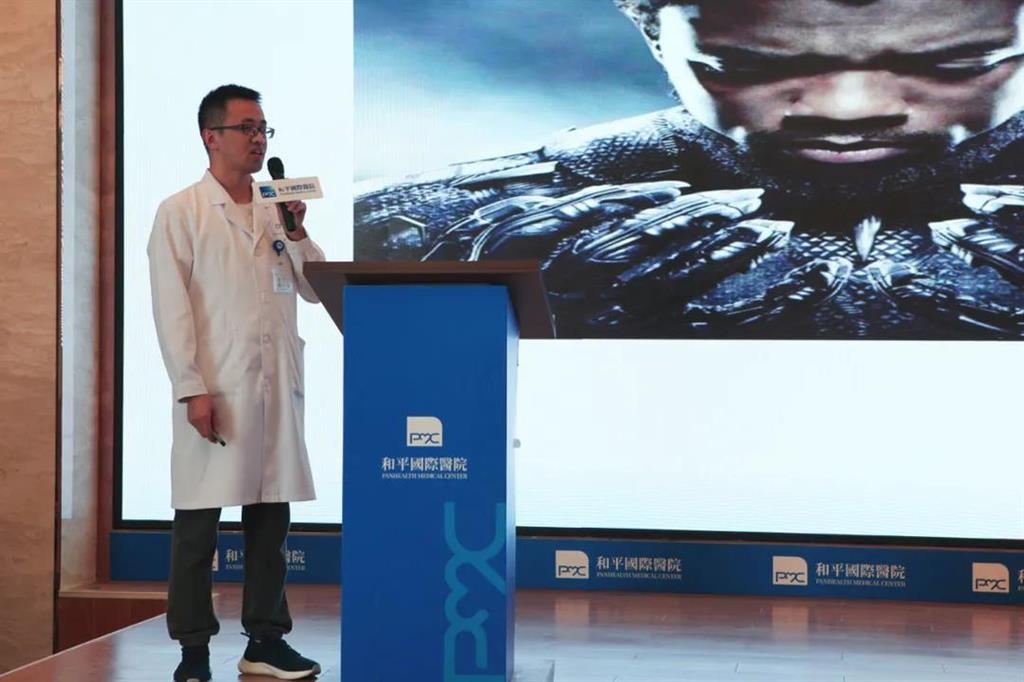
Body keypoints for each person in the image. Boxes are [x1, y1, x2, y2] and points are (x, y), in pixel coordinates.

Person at [355, 0, 1024, 339]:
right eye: (749, 65)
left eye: (955, 65)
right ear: (654, 37)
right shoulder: (410, 226)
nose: (848, 108)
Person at [148, 84, 324, 682]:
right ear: (211, 136)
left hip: (273, 388)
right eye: (246, 128)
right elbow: (171, 310)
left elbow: (315, 289)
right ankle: (193, 653)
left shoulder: (277, 209)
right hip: (216, 389)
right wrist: (191, 387)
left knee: (270, 525)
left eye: (263, 129)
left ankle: (265, 642)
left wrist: (297, 235)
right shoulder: (182, 211)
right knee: (198, 528)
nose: (257, 139)